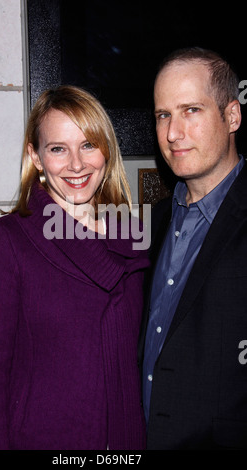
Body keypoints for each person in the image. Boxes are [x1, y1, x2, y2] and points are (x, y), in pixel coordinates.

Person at [0, 85, 149, 450]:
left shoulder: (134, 238)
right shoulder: (7, 241)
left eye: (88, 144)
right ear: (36, 157)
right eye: (58, 148)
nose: (76, 164)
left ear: (106, 150)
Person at [138, 47, 247, 449]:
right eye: (163, 115)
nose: (172, 133)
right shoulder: (154, 221)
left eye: (191, 111)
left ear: (232, 115)